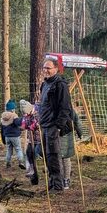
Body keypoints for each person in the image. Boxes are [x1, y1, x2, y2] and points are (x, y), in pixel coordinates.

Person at [39, 57, 75, 191]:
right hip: (45, 124)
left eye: (48, 68)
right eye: (44, 68)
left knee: (54, 155)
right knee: (47, 155)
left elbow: (65, 107)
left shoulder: (60, 85)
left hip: (54, 125)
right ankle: (52, 183)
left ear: (56, 69)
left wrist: (59, 126)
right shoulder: (45, 84)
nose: (45, 70)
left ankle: (58, 186)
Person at [59, 108, 85, 190]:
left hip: (59, 135)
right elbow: (77, 121)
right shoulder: (69, 108)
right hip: (66, 134)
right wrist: (80, 133)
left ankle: (62, 180)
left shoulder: (54, 107)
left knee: (60, 159)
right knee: (65, 159)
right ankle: (65, 180)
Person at [18, 100, 40, 185]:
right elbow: (24, 123)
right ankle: (31, 170)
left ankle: (47, 168)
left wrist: (32, 126)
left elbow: (38, 123)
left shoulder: (37, 112)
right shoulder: (26, 113)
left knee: (37, 153)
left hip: (40, 138)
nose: (25, 115)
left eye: (26, 113)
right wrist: (22, 127)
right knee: (28, 152)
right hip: (32, 138)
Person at [1, 100, 26, 170]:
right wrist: (23, 118)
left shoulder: (3, 117)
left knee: (9, 150)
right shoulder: (14, 116)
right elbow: (18, 123)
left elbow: (2, 129)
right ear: (12, 109)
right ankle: (21, 162)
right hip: (15, 136)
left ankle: (8, 164)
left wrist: (3, 139)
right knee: (18, 149)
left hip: (7, 137)